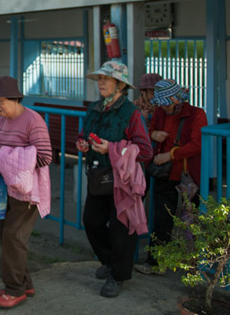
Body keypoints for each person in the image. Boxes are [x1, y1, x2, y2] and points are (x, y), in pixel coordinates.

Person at [75, 61, 152, 298]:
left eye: (106, 79)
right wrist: (83, 144)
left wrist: (112, 148)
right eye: (99, 79)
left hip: (123, 181)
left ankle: (118, 276)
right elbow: (83, 133)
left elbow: (145, 150)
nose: (100, 83)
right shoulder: (95, 108)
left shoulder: (131, 113)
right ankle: (110, 261)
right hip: (99, 177)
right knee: (92, 221)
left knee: (122, 229)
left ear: (120, 85)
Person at [0, 76, 52, 309]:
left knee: (13, 237)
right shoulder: (3, 120)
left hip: (27, 192)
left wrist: (10, 159)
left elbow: (45, 156)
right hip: (6, 187)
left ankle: (14, 290)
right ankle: (24, 282)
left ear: (15, 98)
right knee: (8, 238)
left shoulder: (33, 120)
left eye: (0, 101)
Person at [135, 78, 206, 276]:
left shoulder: (197, 115)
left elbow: (196, 144)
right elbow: (147, 131)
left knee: (191, 220)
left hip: (187, 173)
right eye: (161, 104)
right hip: (164, 173)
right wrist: (154, 133)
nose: (163, 108)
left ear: (176, 100)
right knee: (162, 219)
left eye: (166, 104)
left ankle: (194, 264)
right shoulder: (159, 112)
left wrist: (171, 154)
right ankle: (156, 262)